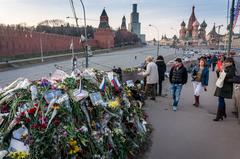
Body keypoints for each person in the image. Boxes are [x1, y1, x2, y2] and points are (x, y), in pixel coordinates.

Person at [213, 57, 236, 121]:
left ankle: (219, 116)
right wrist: (218, 72)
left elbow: (228, 76)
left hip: (226, 86)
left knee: (220, 100)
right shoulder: (226, 68)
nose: (225, 63)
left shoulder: (232, 68)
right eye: (225, 62)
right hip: (222, 85)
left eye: (227, 62)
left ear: (231, 63)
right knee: (221, 99)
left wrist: (223, 70)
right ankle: (223, 113)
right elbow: (220, 77)